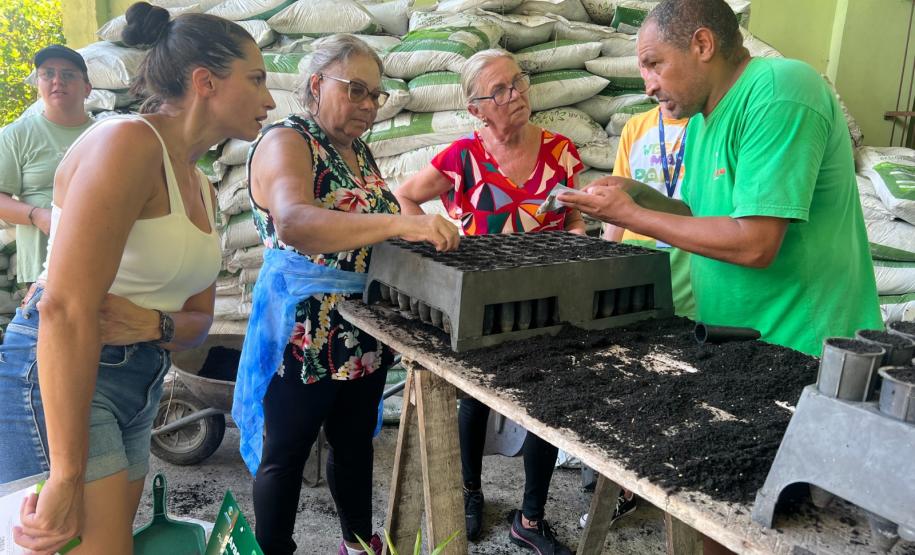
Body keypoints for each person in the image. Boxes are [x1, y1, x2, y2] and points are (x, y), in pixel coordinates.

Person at [0, 3, 276, 553]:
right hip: (67, 373)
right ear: (205, 82)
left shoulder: (201, 185)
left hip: (141, 378)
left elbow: (198, 322)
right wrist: (65, 475)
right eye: (257, 79)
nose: (269, 99)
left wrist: (156, 323)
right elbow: (64, 308)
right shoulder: (126, 143)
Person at [560, 0, 882, 360]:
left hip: (805, 348)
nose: (648, 86)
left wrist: (630, 216)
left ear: (702, 45)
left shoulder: (780, 91)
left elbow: (755, 244)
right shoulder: (701, 121)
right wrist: (638, 196)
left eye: (654, 65)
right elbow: (702, 217)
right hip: (741, 346)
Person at [238, 34, 459, 555]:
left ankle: (359, 543)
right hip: (305, 327)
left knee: (355, 444)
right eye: (355, 89)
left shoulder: (354, 149)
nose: (367, 105)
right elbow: (294, 223)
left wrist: (420, 228)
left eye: (375, 95)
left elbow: (374, 221)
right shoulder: (287, 141)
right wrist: (400, 225)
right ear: (316, 84)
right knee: (286, 452)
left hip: (359, 324)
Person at [395, 49, 584, 555]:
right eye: (498, 91)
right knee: (472, 398)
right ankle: (470, 493)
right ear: (476, 109)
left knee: (547, 405)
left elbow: (575, 219)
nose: (515, 95)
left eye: (517, 83)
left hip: (549, 301)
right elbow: (406, 196)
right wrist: (434, 244)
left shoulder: (561, 151)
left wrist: (579, 240)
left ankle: (532, 516)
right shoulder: (461, 158)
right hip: (483, 302)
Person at [0, 45, 93, 285]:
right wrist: (38, 216)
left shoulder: (105, 134)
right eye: (48, 73)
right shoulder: (16, 135)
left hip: (102, 260)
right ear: (38, 84)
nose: (57, 81)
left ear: (87, 88)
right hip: (42, 268)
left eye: (68, 74)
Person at [603, 104, 695, 319]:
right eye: (646, 68)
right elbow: (619, 201)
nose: (652, 81)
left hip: (691, 250)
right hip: (641, 250)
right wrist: (606, 260)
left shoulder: (705, 126)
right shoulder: (635, 127)